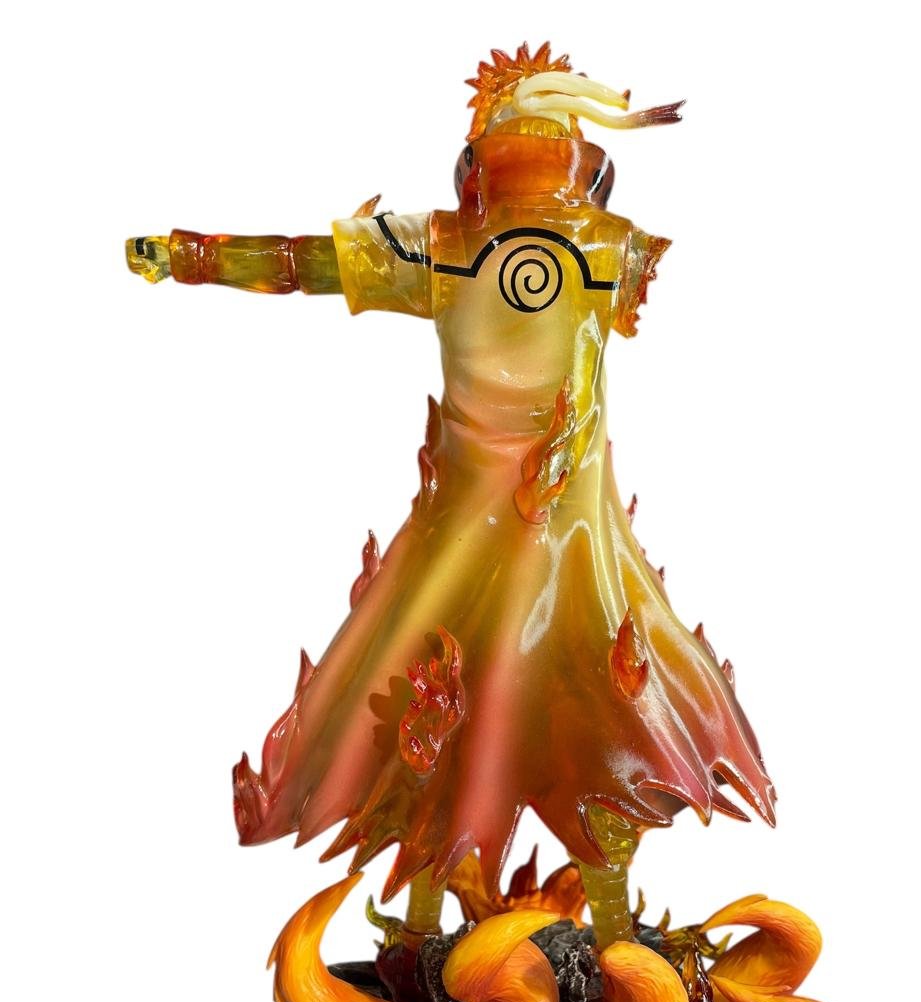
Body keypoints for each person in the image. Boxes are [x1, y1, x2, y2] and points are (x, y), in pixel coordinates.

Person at [127, 44, 775, 942]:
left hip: (541, 537)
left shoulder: (489, 246)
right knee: (490, 719)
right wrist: (192, 256)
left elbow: (300, 262)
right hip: (512, 532)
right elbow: (302, 262)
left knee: (534, 719)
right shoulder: (507, 247)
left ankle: (537, 943)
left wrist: (190, 256)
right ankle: (479, 940)